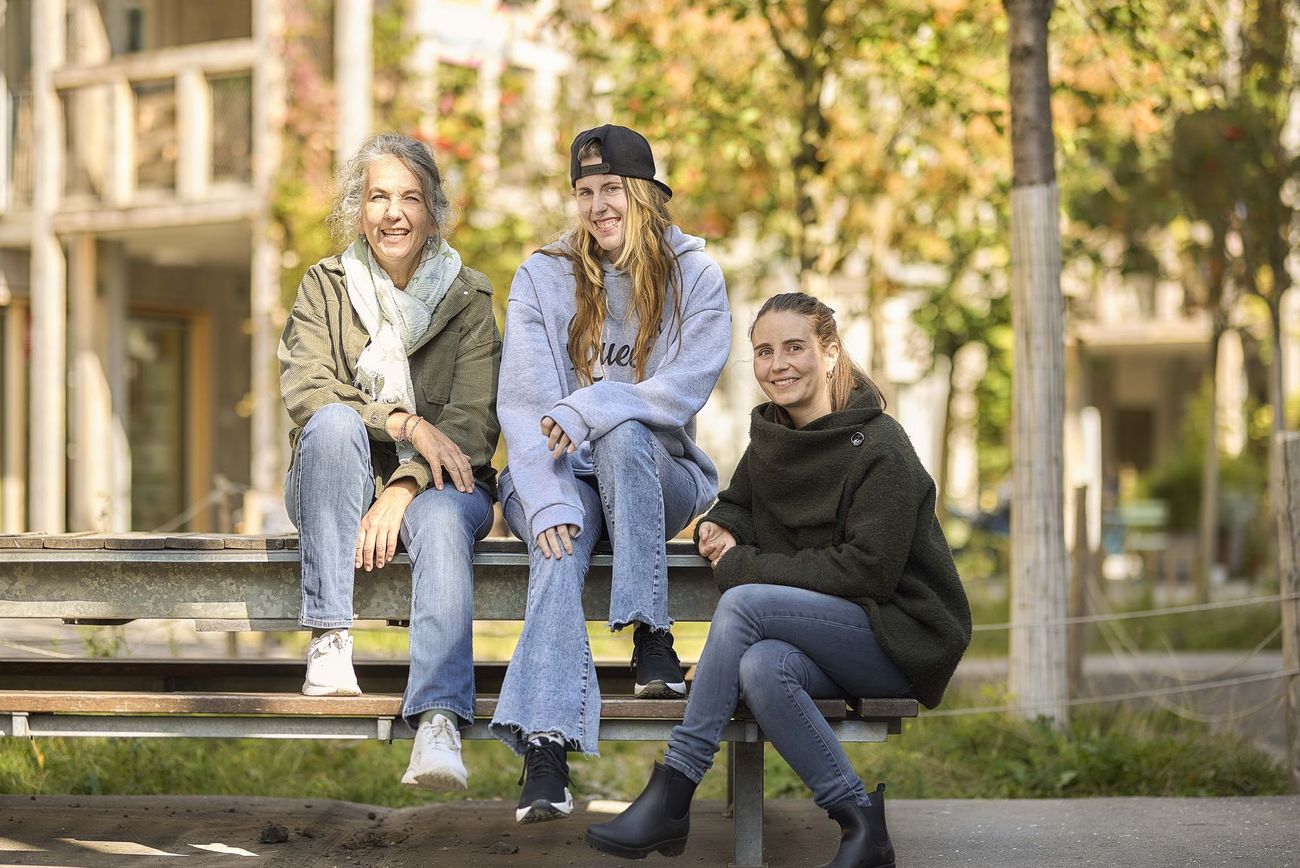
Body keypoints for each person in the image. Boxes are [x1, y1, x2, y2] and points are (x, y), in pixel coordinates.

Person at [585, 292, 972, 868]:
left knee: (743, 604)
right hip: (832, 634)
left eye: (795, 347)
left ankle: (676, 787)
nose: (778, 364)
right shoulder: (772, 436)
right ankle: (861, 825)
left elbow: (868, 569)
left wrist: (744, 565)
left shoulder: (883, 447)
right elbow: (740, 502)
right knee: (761, 667)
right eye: (764, 352)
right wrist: (719, 524)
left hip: (898, 633)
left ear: (831, 353)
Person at [491, 124, 732, 824]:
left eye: (611, 189)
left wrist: (594, 403)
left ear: (647, 196)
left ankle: (649, 628)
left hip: (662, 476)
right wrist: (541, 500)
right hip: (560, 469)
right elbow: (525, 405)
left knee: (625, 431)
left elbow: (686, 386)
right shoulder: (541, 274)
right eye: (584, 192)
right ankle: (545, 752)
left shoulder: (696, 273)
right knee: (559, 546)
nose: (597, 205)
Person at [278, 132, 500, 792]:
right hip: (335, 484)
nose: (393, 212)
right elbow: (307, 388)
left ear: (433, 212)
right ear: (357, 209)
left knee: (435, 520)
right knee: (337, 419)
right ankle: (329, 638)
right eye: (378, 197)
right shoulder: (324, 286)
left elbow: (471, 424)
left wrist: (402, 486)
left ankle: (437, 722)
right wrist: (399, 422)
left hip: (445, 484)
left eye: (410, 197)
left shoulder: (469, 298)